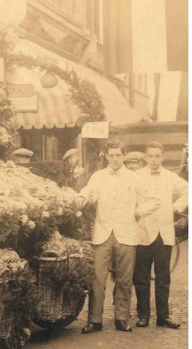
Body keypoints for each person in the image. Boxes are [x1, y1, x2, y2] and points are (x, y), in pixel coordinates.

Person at [76, 140, 139, 333]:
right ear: (106, 156)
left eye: (118, 155)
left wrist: (139, 212)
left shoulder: (133, 178)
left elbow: (146, 198)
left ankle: (121, 317)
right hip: (103, 233)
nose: (114, 159)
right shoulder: (99, 176)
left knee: (124, 279)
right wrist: (82, 197)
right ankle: (95, 320)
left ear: (123, 156)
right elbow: (90, 192)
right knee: (98, 279)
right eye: (111, 155)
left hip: (126, 233)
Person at [133, 142, 188, 329]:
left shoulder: (170, 177)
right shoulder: (136, 177)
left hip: (164, 233)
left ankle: (163, 317)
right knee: (141, 277)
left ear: (163, 157)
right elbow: (128, 199)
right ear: (146, 158)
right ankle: (143, 316)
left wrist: (175, 207)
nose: (154, 160)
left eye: (157, 156)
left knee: (163, 277)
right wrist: (137, 210)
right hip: (143, 232)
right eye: (151, 156)